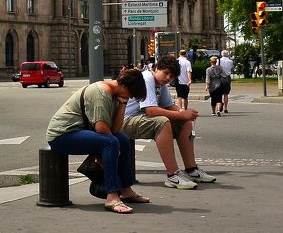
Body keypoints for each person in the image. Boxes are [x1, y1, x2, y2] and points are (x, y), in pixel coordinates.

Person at [45, 71, 152, 214]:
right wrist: (113, 149)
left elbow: (115, 129)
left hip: (78, 132)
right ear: (126, 86)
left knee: (123, 140)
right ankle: (112, 196)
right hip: (62, 135)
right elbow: (101, 128)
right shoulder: (101, 93)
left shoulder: (115, 96)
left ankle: (126, 190)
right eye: (131, 94)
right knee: (111, 143)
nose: (131, 97)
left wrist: (122, 104)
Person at [125, 54, 217, 190]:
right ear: (156, 68)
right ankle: (173, 175)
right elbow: (151, 110)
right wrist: (180, 113)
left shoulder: (160, 83)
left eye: (172, 76)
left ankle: (191, 169)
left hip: (139, 119)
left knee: (184, 122)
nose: (168, 78)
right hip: (126, 120)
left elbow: (168, 105)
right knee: (162, 122)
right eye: (166, 73)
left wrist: (184, 113)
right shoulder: (147, 78)